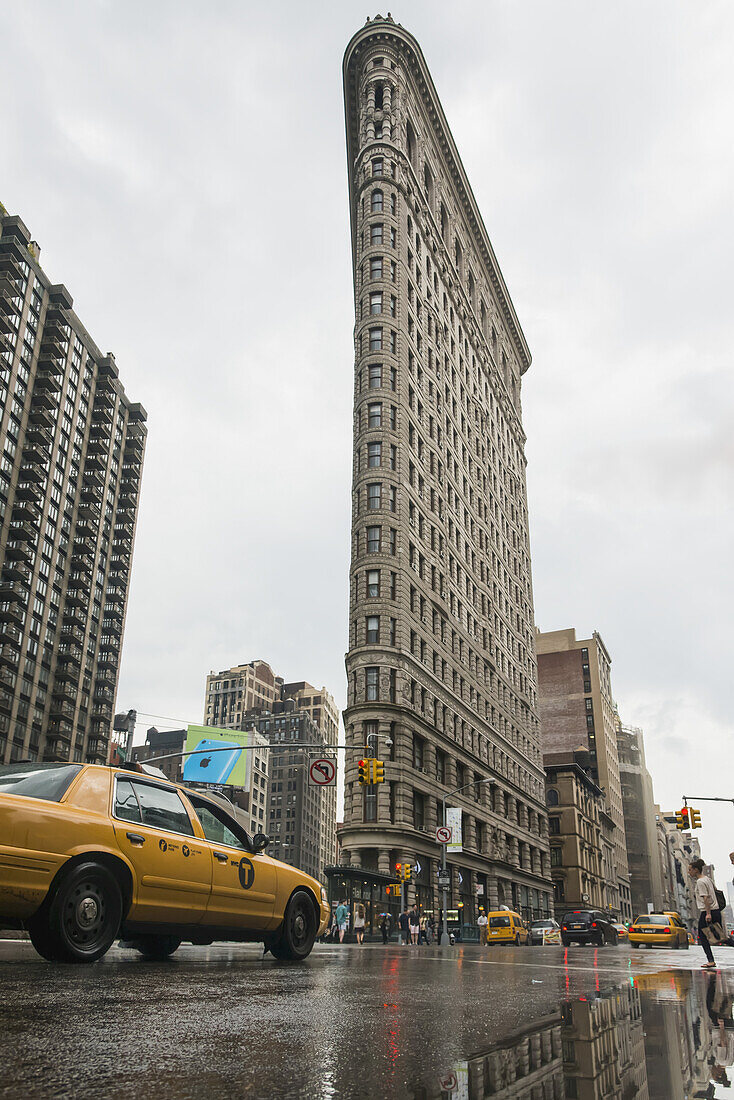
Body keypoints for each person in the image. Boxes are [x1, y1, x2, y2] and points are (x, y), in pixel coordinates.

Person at [688, 858, 723, 970]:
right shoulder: (707, 879)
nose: (689, 872)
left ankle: (711, 960)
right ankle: (710, 960)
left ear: (696, 870)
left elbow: (706, 898)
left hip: (708, 911)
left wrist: (708, 914)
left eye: (690, 870)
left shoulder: (700, 882)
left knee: (703, 936)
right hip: (715, 910)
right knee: (720, 936)